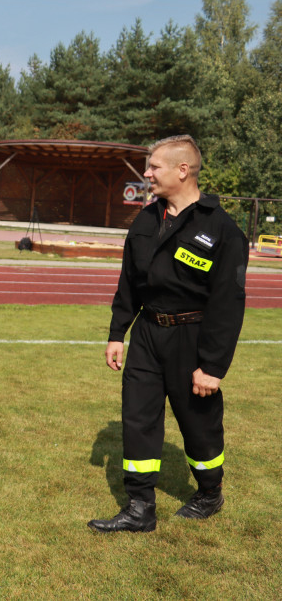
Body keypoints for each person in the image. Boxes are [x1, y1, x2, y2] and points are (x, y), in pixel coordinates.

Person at [88, 135, 248, 533]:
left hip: (191, 339)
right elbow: (128, 282)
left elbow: (228, 304)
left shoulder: (222, 229)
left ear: (182, 170)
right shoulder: (146, 219)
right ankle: (140, 507)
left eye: (154, 167)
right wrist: (117, 332)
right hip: (147, 334)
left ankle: (209, 491)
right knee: (137, 418)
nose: (147, 174)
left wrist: (211, 366)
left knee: (198, 425)